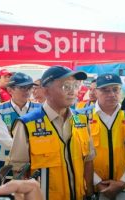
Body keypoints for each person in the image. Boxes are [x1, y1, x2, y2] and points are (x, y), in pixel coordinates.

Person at [9, 66, 95, 200]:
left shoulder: (82, 120)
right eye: (66, 86)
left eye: (76, 85)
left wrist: (89, 193)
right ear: (46, 91)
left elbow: (88, 160)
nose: (72, 91)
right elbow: (19, 170)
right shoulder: (27, 124)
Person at [88, 73, 125, 199]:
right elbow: (79, 155)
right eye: (105, 90)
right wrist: (98, 184)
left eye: (115, 89)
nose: (111, 94)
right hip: (92, 189)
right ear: (96, 92)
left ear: (120, 91)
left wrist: (122, 182)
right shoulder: (82, 118)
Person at [0, 72, 41, 169]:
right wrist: (32, 150)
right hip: (4, 163)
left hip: (34, 161)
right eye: (22, 88)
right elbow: (3, 139)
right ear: (10, 90)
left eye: (30, 88)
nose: (27, 91)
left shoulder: (40, 109)